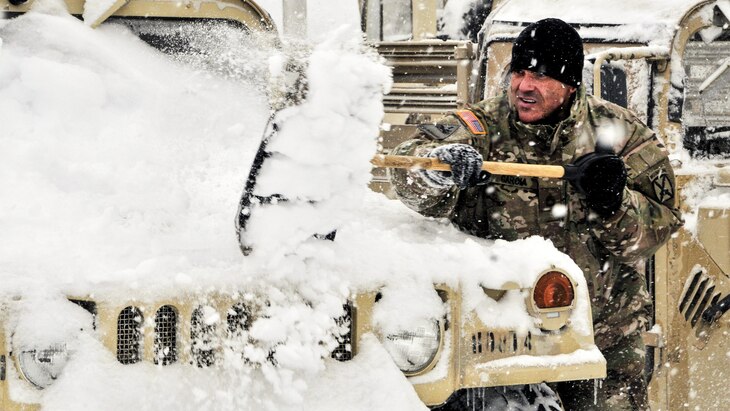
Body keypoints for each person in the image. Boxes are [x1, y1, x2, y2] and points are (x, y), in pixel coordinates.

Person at [390, 18, 683, 410]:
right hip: (501, 346)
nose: (524, 86)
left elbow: (656, 234)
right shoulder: (482, 127)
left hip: (602, 342)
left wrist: (614, 203)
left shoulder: (621, 135)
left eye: (542, 76)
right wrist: (437, 169)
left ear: (571, 85)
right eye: (520, 72)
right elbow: (406, 166)